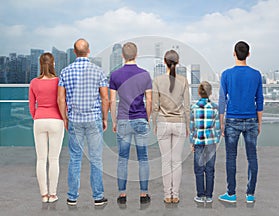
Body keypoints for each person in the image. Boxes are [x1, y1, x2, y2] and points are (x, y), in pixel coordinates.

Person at [57, 38, 109, 206]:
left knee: (75, 158)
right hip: (93, 119)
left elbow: (60, 99)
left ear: (74, 52)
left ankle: (72, 197)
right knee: (96, 158)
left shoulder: (65, 71)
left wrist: (65, 117)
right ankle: (98, 196)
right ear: (89, 51)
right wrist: (105, 117)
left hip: (75, 120)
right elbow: (105, 98)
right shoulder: (97, 71)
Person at [218, 41, 264, 204]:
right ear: (248, 54)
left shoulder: (226, 74)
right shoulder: (256, 74)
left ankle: (231, 194)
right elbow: (260, 100)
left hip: (232, 120)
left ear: (234, 53)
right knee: (252, 157)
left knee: (231, 157)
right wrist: (259, 123)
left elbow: (222, 100)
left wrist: (221, 123)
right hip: (251, 119)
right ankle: (250, 194)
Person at [109, 42, 152, 204]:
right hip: (140, 118)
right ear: (137, 54)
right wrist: (146, 118)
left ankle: (122, 195)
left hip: (123, 120)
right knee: (143, 158)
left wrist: (114, 120)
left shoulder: (115, 75)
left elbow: (112, 101)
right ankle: (143, 194)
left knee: (122, 159)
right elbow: (149, 99)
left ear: (122, 56)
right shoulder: (145, 75)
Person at [152, 50, 190, 204]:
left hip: (163, 123)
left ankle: (167, 195)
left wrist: (155, 124)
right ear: (178, 62)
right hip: (180, 123)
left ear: (164, 62)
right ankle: (176, 194)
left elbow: (155, 106)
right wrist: (188, 125)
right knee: (176, 161)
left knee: (166, 161)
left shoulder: (157, 80)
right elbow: (187, 106)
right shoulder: (184, 81)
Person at [29, 52, 64, 203]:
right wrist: (64, 117)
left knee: (41, 159)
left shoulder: (34, 82)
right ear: (53, 64)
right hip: (56, 120)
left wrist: (37, 117)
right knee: (54, 159)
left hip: (39, 120)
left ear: (40, 64)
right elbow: (63, 102)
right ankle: (53, 194)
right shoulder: (59, 81)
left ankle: (44, 195)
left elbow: (31, 106)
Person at [190, 81, 220, 203]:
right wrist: (215, 140)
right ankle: (209, 196)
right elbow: (217, 128)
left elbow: (192, 127)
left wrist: (192, 141)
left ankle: (200, 195)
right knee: (210, 169)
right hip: (211, 142)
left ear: (198, 92)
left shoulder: (193, 107)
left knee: (199, 169)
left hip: (198, 141)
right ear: (210, 93)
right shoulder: (215, 107)